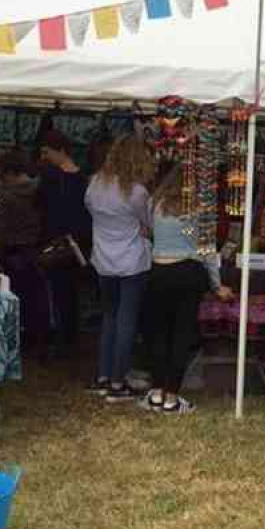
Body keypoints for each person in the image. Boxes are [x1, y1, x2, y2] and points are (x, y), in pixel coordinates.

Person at [142, 163, 234, 414]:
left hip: (158, 271)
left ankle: (158, 393)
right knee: (180, 336)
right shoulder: (199, 208)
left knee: (159, 335)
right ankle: (172, 397)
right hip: (186, 273)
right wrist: (217, 286)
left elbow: (148, 234)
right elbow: (207, 253)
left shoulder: (154, 203)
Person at [85, 135, 155, 402]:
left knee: (110, 317)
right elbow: (148, 224)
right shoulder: (137, 192)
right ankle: (117, 381)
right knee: (127, 320)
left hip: (103, 260)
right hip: (132, 261)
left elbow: (91, 212)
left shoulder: (94, 185)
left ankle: (103, 376)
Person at [36, 130, 92, 354]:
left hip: (56, 243)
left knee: (58, 293)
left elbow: (40, 206)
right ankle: (70, 337)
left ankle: (62, 339)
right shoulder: (83, 179)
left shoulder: (50, 177)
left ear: (60, 150)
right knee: (71, 293)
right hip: (77, 245)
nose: (44, 156)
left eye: (47, 151)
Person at [0, 150, 51, 353]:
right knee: (38, 298)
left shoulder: (9, 198)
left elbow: (0, 233)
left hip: (14, 254)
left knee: (19, 302)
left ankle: (23, 343)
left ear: (9, 173)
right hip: (37, 252)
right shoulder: (41, 189)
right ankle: (41, 339)